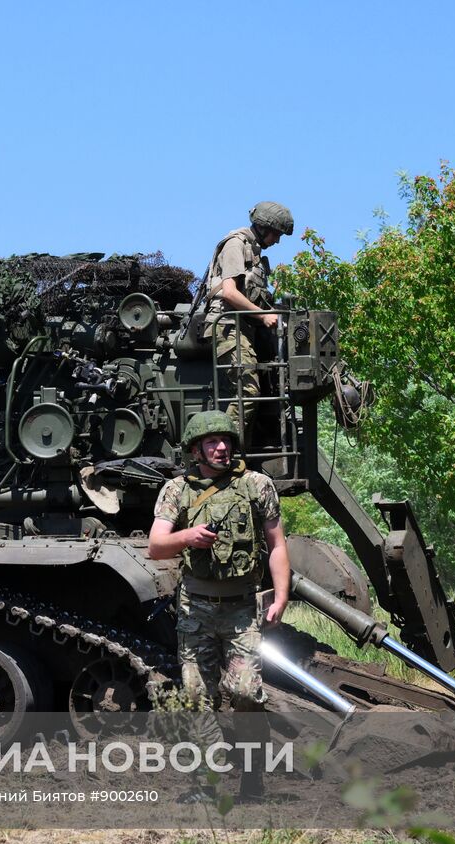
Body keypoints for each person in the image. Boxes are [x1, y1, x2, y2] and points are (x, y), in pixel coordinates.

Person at [148, 411, 290, 798]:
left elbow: (276, 544)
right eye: (211, 442)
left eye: (226, 441)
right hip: (196, 608)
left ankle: (252, 777)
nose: (222, 447)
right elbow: (156, 545)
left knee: (245, 693)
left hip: (242, 608)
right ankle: (206, 782)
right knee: (197, 697)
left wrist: (280, 595)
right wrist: (188, 536)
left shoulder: (257, 485)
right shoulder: (177, 490)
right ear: (195, 450)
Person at [197, 201, 294, 442]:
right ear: (263, 227)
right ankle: (223, 450)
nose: (277, 241)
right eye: (277, 234)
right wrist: (263, 316)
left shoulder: (254, 252)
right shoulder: (235, 244)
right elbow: (229, 292)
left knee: (267, 389)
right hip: (227, 326)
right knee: (248, 392)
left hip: (242, 327)